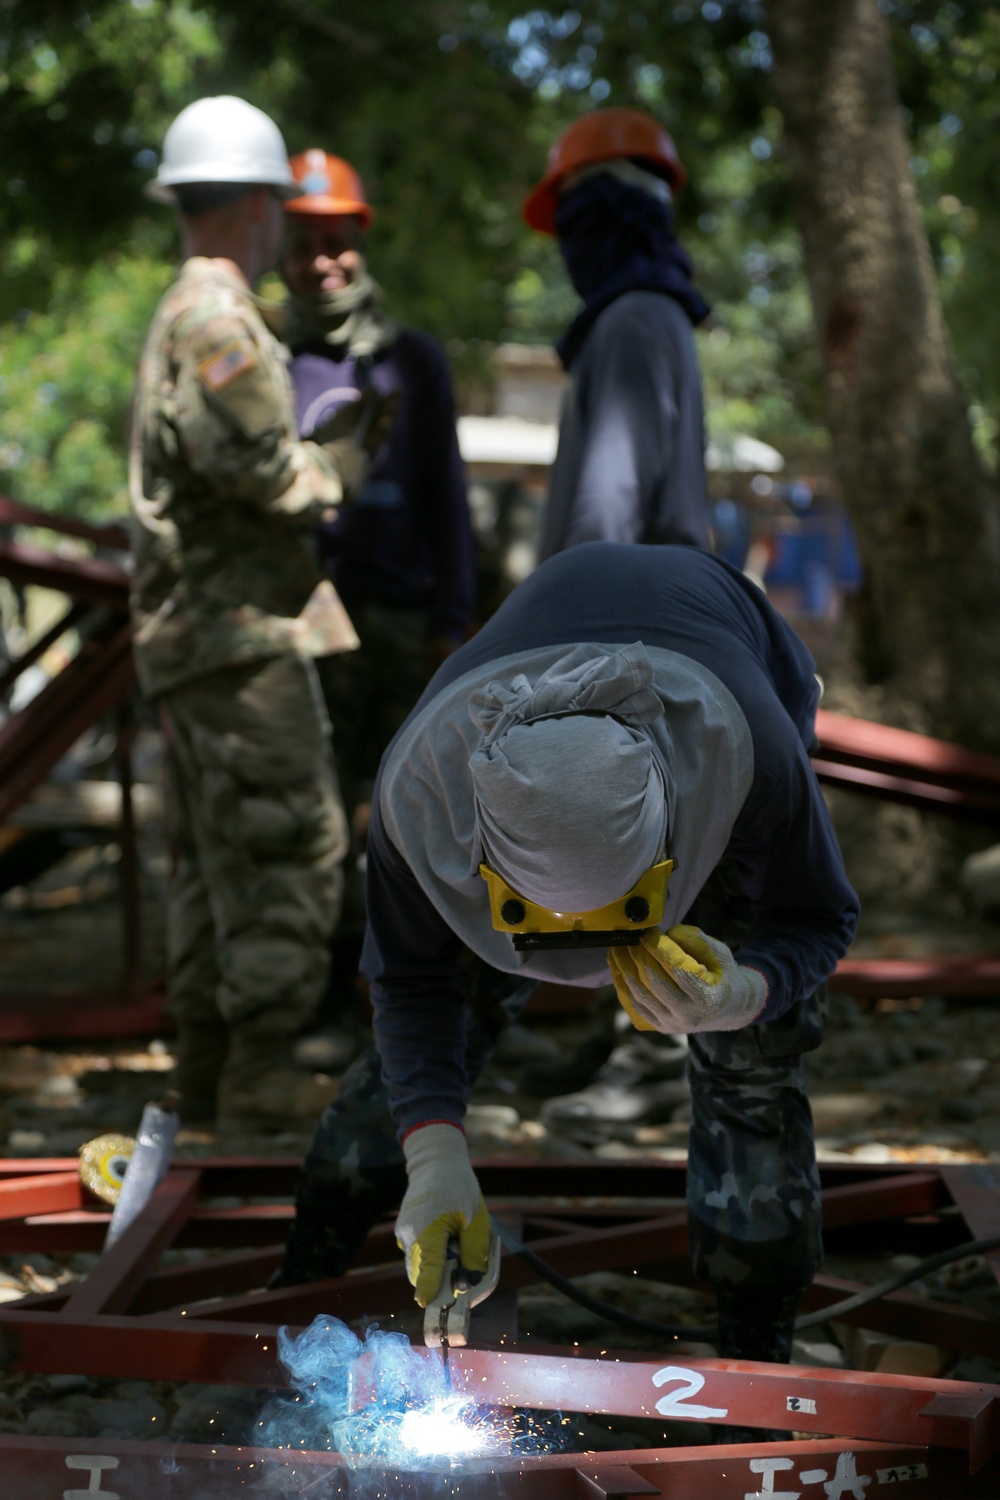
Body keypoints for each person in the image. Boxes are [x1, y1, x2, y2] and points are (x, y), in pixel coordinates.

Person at [272, 541, 859, 1382]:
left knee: (753, 1069)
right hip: (535, 692)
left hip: (716, 674)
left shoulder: (751, 754)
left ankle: (756, 1337)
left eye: (618, 913)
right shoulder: (420, 798)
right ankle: (311, 1259)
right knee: (443, 1026)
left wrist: (744, 993)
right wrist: (434, 1159)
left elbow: (821, 915)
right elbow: (410, 983)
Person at [129, 97, 380, 1129]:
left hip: (199, 642)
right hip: (240, 640)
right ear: (262, 209)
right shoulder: (221, 319)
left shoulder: (183, 311)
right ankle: (260, 1069)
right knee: (288, 845)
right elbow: (249, 465)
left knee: (211, 864)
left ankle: (207, 1069)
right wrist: (339, 465)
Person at [276, 149, 476, 1054]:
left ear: (362, 240)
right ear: (281, 251)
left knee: (405, 822)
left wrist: (452, 624)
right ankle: (319, 1002)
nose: (323, 261)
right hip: (304, 630)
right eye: (304, 242)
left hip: (400, 628)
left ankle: (410, 1008)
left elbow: (447, 496)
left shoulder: (412, 360)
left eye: (337, 240)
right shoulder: (267, 359)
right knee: (312, 819)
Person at [523, 108, 712, 561]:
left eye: (578, 223)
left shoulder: (633, 320)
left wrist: (566, 622)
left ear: (617, 214)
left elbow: (607, 515)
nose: (570, 249)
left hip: (620, 621)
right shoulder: (654, 314)